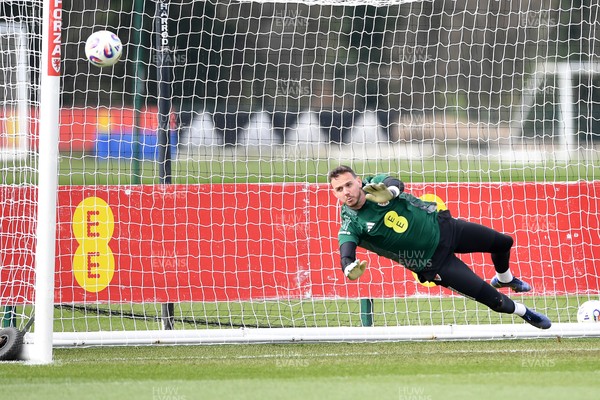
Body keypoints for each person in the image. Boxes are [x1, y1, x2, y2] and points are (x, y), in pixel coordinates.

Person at [327, 165, 551, 329]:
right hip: (432, 263)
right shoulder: (350, 224)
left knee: (504, 242)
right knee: (496, 301)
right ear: (335, 194)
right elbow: (346, 253)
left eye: (348, 184)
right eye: (339, 189)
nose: (346, 192)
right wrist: (349, 269)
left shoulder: (375, 184)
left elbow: (395, 183)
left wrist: (391, 193)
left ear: (358, 181)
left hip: (444, 228)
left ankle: (505, 278)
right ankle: (525, 313)